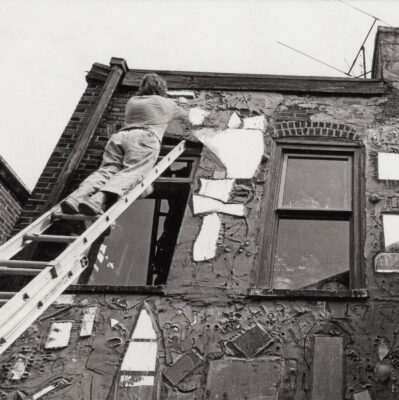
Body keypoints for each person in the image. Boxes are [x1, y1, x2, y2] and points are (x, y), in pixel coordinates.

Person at [61, 73, 205, 215]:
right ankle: (98, 200)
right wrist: (182, 103)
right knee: (133, 171)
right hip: (144, 139)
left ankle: (76, 198)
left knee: (107, 170)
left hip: (120, 137)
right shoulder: (167, 104)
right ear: (162, 89)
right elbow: (191, 116)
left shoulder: (133, 101)